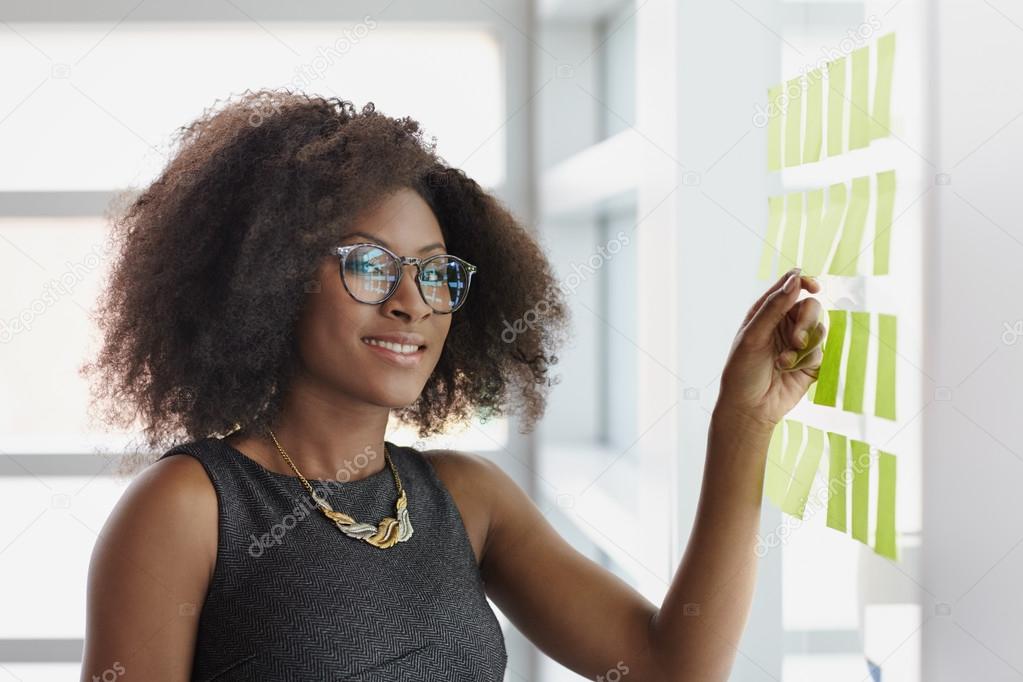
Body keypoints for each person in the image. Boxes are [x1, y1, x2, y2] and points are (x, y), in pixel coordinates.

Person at [79, 90, 824, 681]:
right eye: (368, 265)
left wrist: (743, 425)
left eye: (434, 271)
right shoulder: (189, 509)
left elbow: (671, 669)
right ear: (271, 280)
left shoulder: (468, 499)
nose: (411, 301)